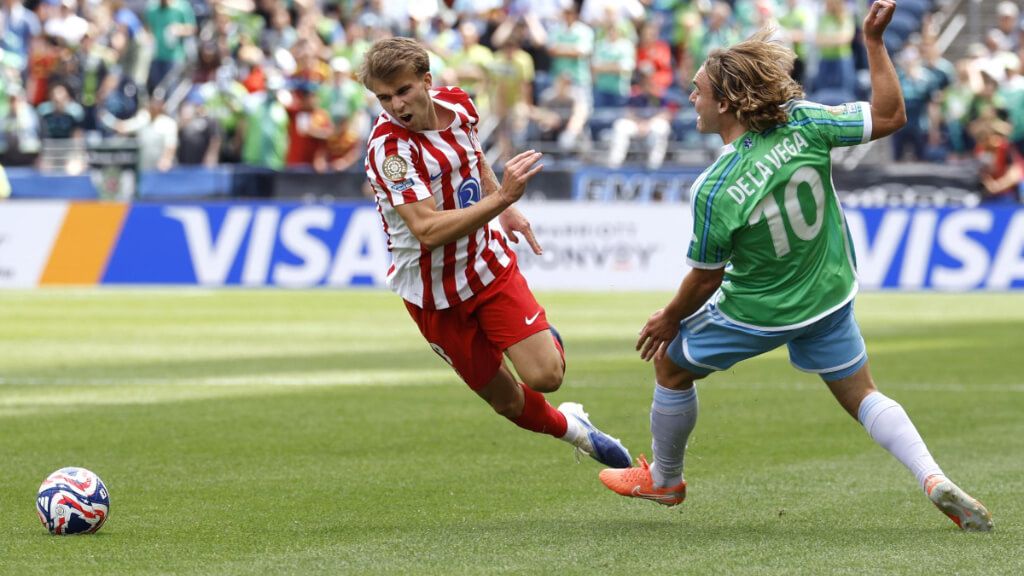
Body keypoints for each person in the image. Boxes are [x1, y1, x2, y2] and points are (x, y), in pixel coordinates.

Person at [599, 2, 994, 532]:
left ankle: (665, 480)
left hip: (760, 310)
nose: (691, 96)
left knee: (670, 362)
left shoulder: (714, 188)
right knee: (862, 395)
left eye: (700, 90)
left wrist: (669, 317)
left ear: (728, 102)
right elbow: (891, 116)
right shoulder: (805, 123)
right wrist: (874, 44)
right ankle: (931, 477)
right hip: (829, 294)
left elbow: (706, 277)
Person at [359, 36, 631, 471]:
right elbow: (427, 231)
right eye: (384, 97)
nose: (396, 105)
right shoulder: (390, 151)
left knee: (546, 376)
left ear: (427, 81)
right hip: (432, 293)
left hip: (487, 264)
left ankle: (540, 345)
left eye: (404, 91)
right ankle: (575, 429)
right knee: (506, 401)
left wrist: (506, 210)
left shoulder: (459, 103)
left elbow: (472, 157)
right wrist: (502, 199)